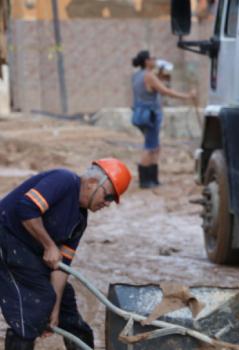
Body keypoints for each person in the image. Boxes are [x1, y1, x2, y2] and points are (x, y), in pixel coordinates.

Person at [0, 158, 132, 349]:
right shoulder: (64, 180)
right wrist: (49, 245)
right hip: (6, 238)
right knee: (35, 302)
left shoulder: (79, 220)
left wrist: (55, 310)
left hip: (25, 252)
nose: (107, 204)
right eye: (109, 197)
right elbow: (26, 208)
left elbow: (61, 267)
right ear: (93, 183)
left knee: (65, 305)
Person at [130, 50, 195, 189]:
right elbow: (166, 91)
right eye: (153, 58)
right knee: (150, 147)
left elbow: (148, 89)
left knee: (155, 146)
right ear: (147, 61)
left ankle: (152, 179)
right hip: (150, 115)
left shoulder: (136, 76)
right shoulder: (149, 76)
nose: (155, 60)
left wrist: (159, 74)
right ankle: (146, 181)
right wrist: (187, 96)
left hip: (140, 114)